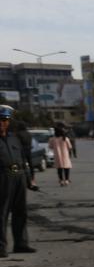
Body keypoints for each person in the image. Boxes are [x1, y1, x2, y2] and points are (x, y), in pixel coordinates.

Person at [0, 105, 36, 258]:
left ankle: (21, 243)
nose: (2, 123)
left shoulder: (14, 138)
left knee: (21, 211)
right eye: (0, 120)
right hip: (2, 177)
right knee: (1, 213)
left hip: (18, 176)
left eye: (5, 120)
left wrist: (28, 179)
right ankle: (1, 247)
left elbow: (23, 159)